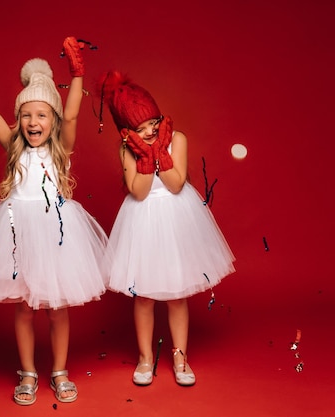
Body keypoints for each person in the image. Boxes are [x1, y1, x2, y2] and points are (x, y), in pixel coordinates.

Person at [0, 31, 109, 406]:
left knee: (57, 309)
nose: (32, 121)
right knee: (25, 308)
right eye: (26, 115)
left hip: (57, 234)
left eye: (41, 114)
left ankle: (59, 371)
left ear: (53, 119)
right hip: (17, 233)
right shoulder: (14, 144)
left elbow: (74, 111)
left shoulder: (61, 147)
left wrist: (77, 74)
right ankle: (27, 372)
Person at [98, 71, 235, 387]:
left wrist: (160, 151)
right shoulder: (127, 150)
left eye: (152, 123)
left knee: (177, 294)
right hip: (142, 219)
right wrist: (145, 158)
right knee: (143, 295)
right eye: (140, 128)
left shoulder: (178, 139)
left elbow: (175, 185)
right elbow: (140, 191)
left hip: (175, 217)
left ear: (160, 118)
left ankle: (179, 355)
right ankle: (146, 357)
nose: (148, 131)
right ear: (126, 132)